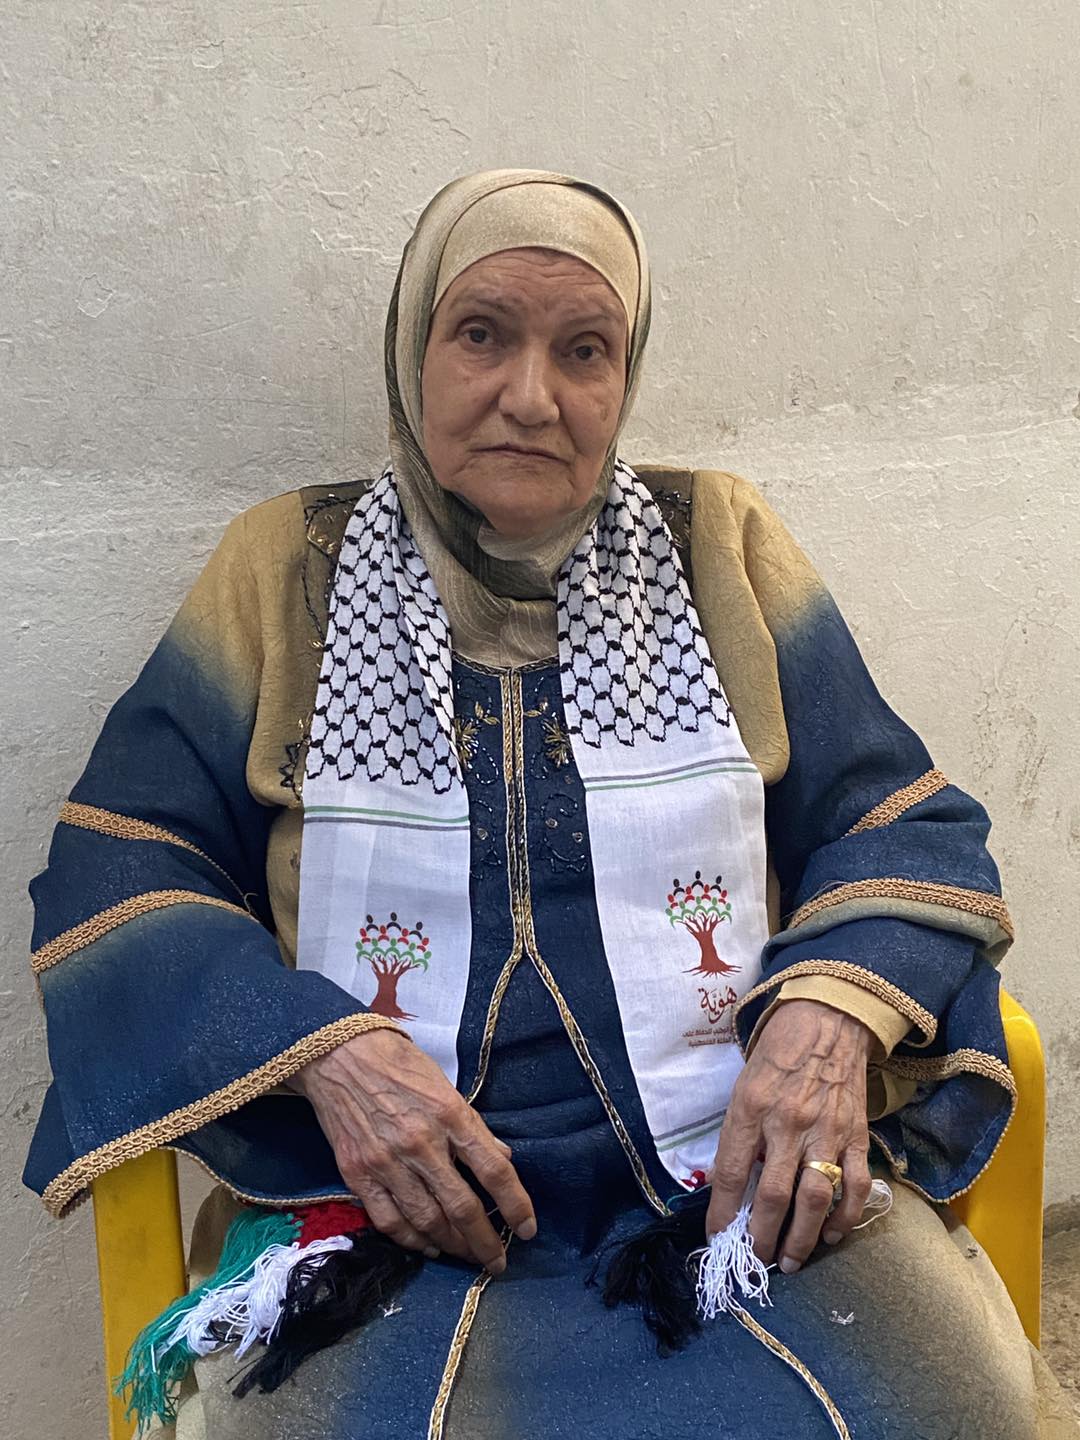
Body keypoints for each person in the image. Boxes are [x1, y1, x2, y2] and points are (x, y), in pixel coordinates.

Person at [24, 169, 1076, 1439]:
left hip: (731, 1203)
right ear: (413, 349)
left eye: (586, 350)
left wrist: (828, 1019)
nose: (533, 396)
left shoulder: (718, 548)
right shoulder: (284, 574)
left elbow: (899, 821)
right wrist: (332, 1055)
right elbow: (125, 865)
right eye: (482, 334)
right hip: (383, 1218)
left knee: (960, 1410)